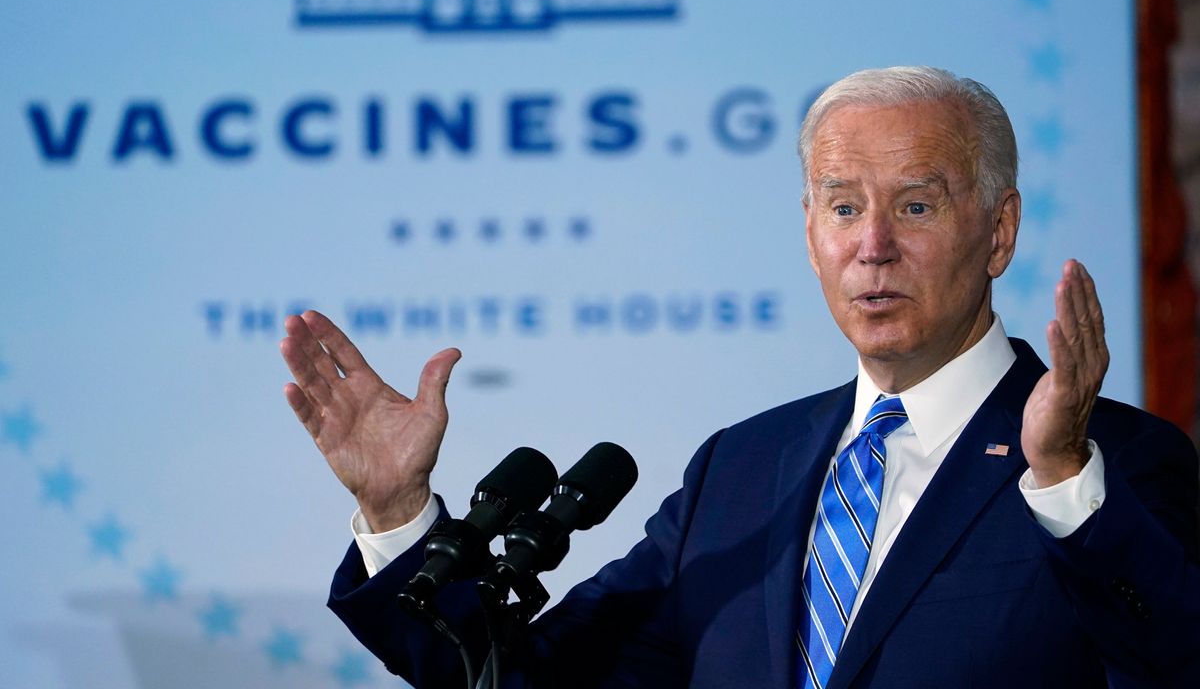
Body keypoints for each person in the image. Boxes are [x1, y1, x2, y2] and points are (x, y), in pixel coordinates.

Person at [280, 66, 1200, 688]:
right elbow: (518, 676)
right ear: (810, 232)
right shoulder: (741, 471)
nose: (873, 246)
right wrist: (401, 512)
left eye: (916, 205)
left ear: (998, 231)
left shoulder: (1111, 464)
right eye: (845, 207)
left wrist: (1066, 485)